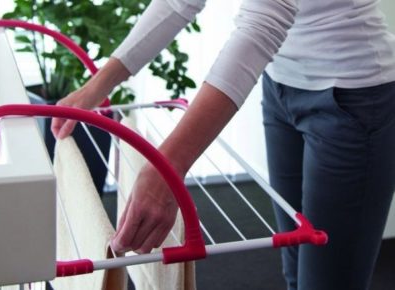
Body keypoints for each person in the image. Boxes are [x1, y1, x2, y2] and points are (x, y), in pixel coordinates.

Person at [51, 0, 395, 289]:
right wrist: (98, 85)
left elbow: (264, 20)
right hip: (280, 86)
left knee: (326, 282)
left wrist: (166, 167)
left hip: (354, 97)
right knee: (296, 269)